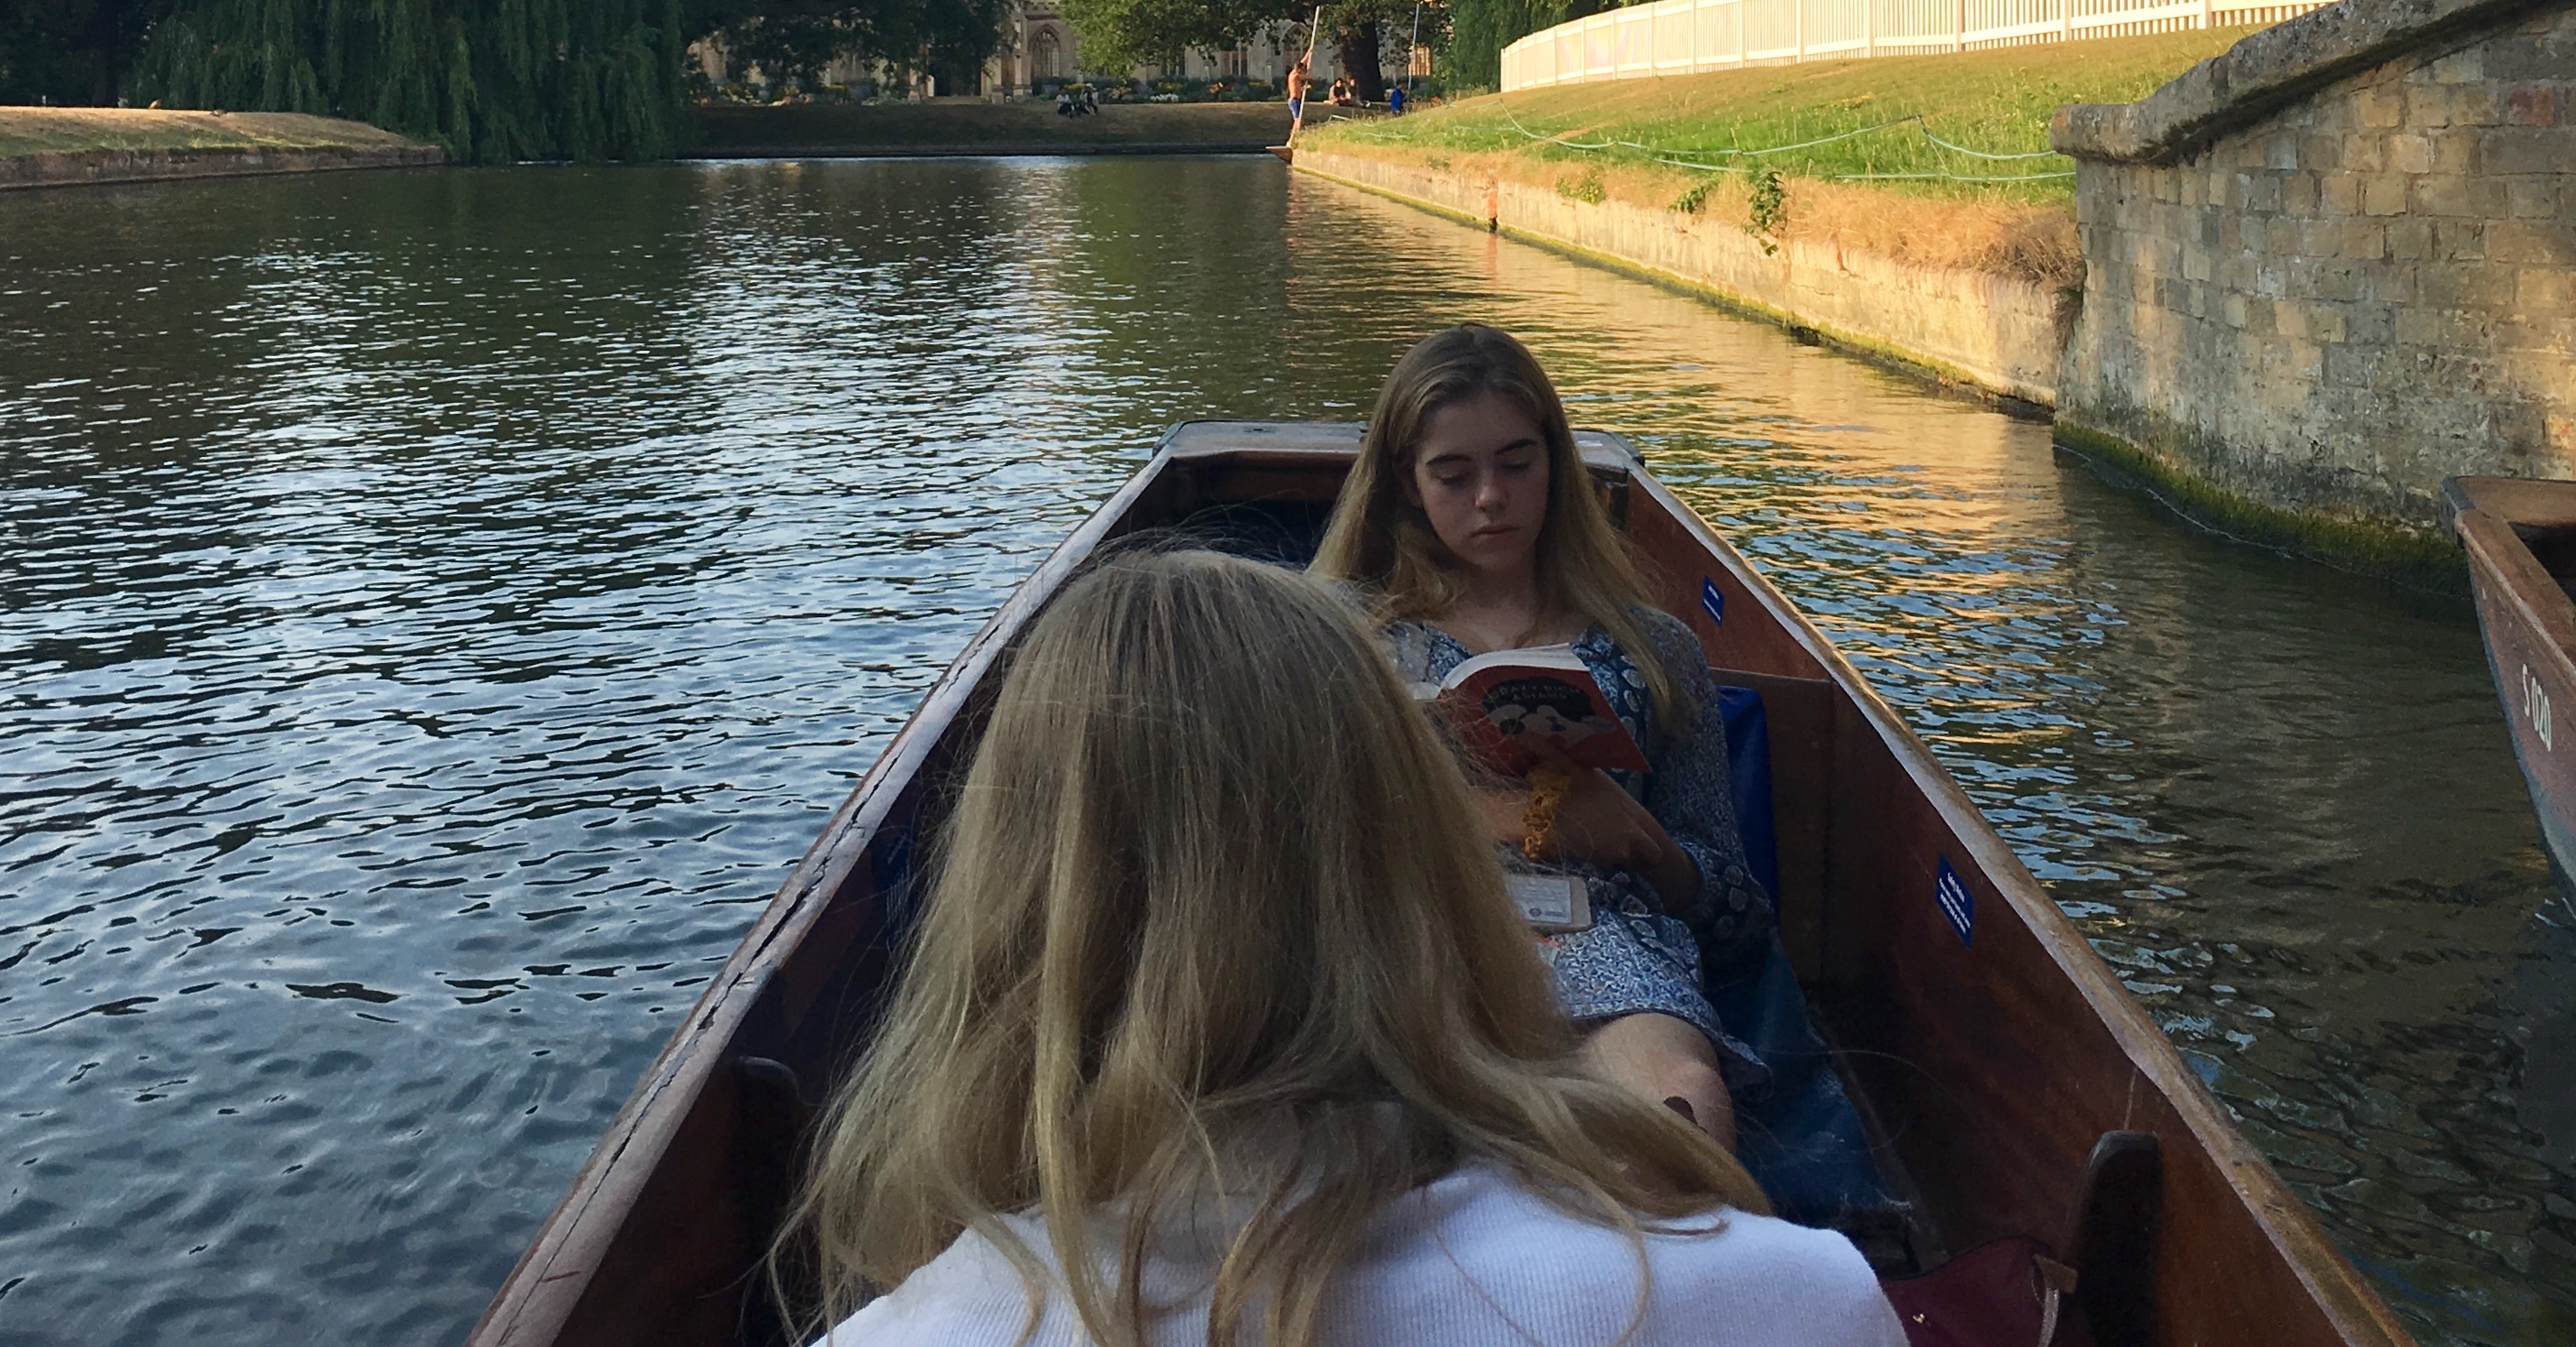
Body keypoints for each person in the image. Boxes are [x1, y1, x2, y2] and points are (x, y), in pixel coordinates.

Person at [792, 548, 1896, 1347]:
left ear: (1019, 906)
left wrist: (1640, 847)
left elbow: (1718, 889)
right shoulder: (1790, 1302)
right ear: (1415, 861)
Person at [1311, 326, 1770, 1147]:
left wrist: (1644, 846)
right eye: (1453, 474)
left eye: (1517, 464)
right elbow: (1295, 847)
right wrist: (1516, 819)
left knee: (1682, 1102)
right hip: (1411, 938)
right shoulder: (1345, 637)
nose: (1491, 495)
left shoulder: (1656, 650)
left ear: (1555, 466)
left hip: (1604, 940)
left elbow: (1735, 911)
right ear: (1409, 486)